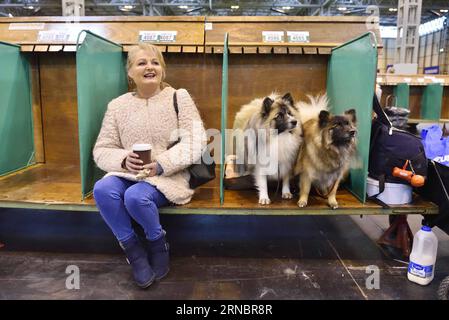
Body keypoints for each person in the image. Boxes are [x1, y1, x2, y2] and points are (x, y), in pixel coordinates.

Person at [92, 43, 206, 288]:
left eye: (155, 62)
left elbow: (196, 140)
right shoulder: (117, 105)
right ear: (130, 72)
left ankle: (157, 242)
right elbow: (102, 149)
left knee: (135, 197)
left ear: (162, 70)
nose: (149, 67)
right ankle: (133, 251)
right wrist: (123, 160)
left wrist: (162, 165)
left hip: (168, 175)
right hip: (127, 173)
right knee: (102, 190)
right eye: (141, 63)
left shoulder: (178, 97)